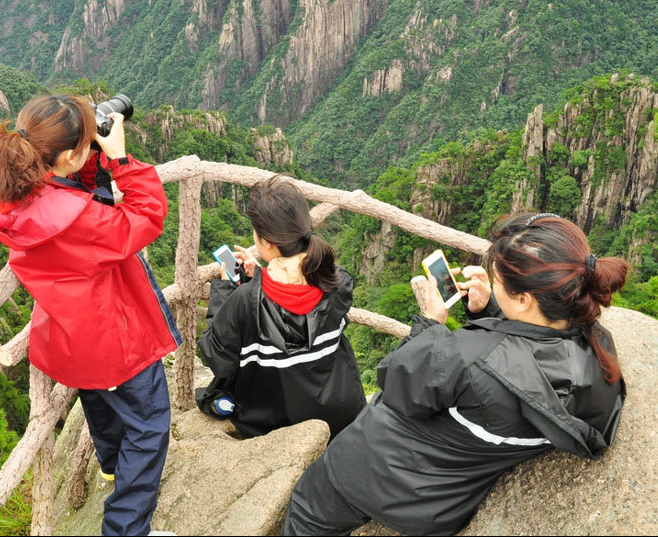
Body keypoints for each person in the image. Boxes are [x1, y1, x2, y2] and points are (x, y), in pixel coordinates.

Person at [283, 212, 628, 536]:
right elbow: (520, 364)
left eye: (498, 281)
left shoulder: (467, 357)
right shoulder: (597, 352)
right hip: (444, 506)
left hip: (374, 474)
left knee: (304, 511)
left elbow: (399, 384)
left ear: (523, 299)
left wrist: (430, 323)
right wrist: (489, 309)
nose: (492, 283)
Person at [0, 94, 181, 536]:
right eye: (85, 142)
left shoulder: (9, 180)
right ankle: (126, 527)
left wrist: (88, 158)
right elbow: (145, 218)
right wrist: (120, 160)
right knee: (149, 424)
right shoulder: (74, 220)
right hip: (114, 336)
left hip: (69, 334)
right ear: (66, 155)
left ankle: (109, 465)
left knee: (99, 397)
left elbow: (63, 185)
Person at [196, 176, 366, 440]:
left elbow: (217, 357)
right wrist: (260, 277)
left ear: (265, 242)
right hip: (342, 412)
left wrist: (225, 291)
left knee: (210, 395)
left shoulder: (244, 300)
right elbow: (296, 297)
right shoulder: (337, 281)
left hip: (276, 421)